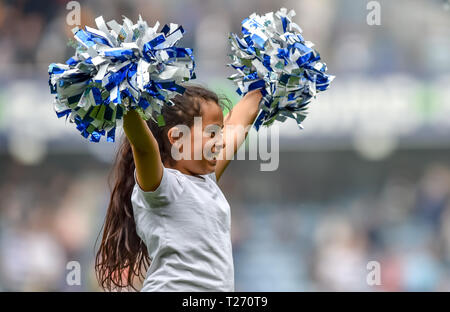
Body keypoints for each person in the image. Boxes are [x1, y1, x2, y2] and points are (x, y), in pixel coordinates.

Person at [95, 85, 262, 291]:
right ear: (177, 138)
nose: (220, 142)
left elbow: (240, 119)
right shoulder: (163, 186)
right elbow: (144, 147)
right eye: (212, 133)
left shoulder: (206, 180)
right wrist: (123, 92)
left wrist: (267, 82)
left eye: (220, 132)